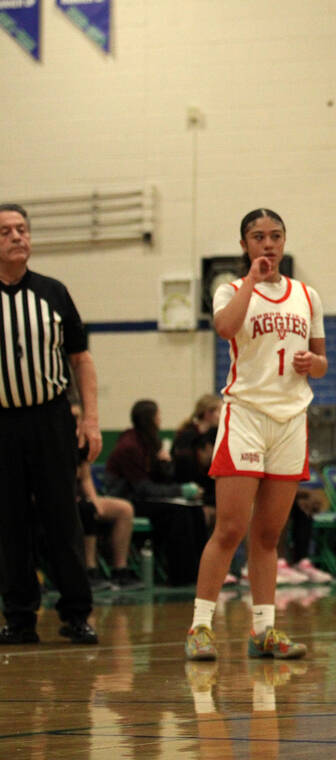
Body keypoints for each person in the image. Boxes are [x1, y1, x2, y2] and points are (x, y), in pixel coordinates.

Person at [186, 207, 327, 662]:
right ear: (244, 244)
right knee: (229, 528)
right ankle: (201, 628)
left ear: (285, 241)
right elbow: (225, 328)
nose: (268, 244)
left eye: (275, 236)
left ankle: (264, 631)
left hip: (291, 421)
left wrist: (313, 365)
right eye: (258, 237)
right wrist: (250, 279)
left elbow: (322, 361)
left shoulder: (307, 296)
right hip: (245, 415)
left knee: (269, 535)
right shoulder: (229, 289)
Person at [0, 203, 100, 645]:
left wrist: (92, 420)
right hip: (2, 424)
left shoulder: (54, 292)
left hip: (51, 418)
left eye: (22, 229)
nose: (17, 237)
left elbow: (81, 358)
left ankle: (76, 613)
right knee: (9, 522)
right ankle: (20, 618)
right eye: (5, 231)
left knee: (63, 517)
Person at [106, 399, 207, 586]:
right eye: (158, 416)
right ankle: (182, 576)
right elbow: (142, 488)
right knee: (177, 512)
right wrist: (179, 491)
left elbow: (162, 480)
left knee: (194, 509)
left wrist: (165, 463)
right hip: (128, 498)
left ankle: (202, 571)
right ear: (150, 419)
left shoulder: (149, 442)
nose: (161, 420)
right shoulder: (130, 446)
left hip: (144, 497)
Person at [69, 396, 139, 590]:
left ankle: (119, 569)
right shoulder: (50, 441)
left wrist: (95, 499)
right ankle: (89, 569)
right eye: (72, 416)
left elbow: (85, 478)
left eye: (78, 417)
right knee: (86, 509)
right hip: (55, 499)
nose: (76, 421)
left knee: (124, 509)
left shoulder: (80, 442)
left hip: (78, 497)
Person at [173, 394, 222, 524]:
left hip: (210, 494)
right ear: (208, 413)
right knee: (202, 515)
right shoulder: (186, 436)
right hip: (190, 493)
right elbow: (181, 472)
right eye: (219, 411)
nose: (222, 416)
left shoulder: (216, 434)